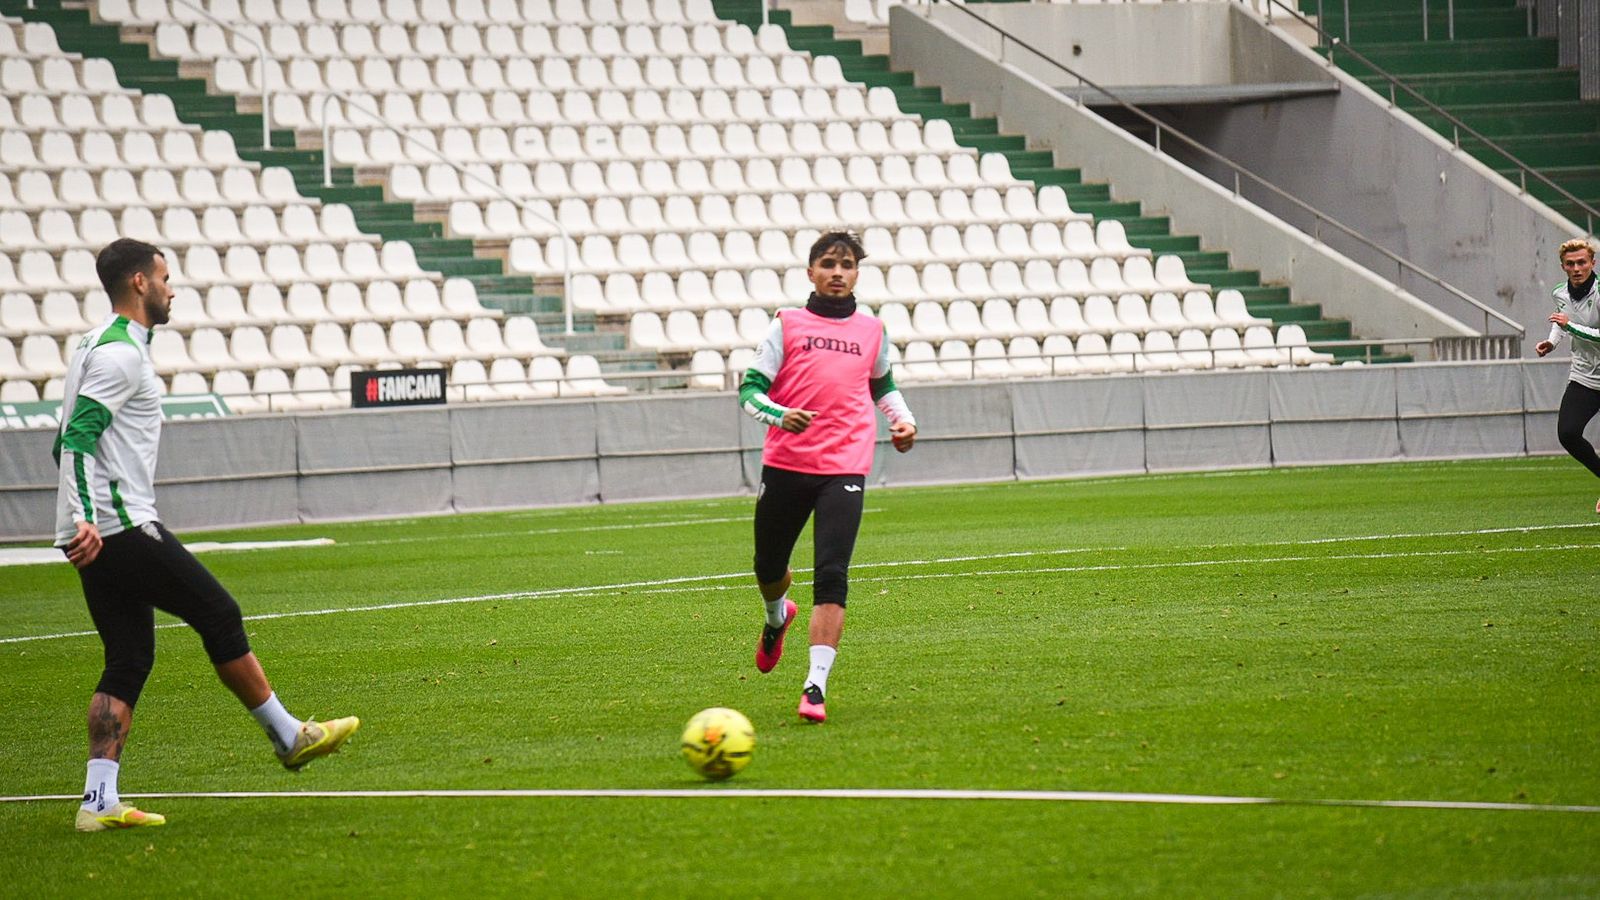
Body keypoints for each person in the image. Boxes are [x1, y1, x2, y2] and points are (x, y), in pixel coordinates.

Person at [55, 239, 360, 833]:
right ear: (140, 282)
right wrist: (86, 518)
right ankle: (288, 734)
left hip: (97, 529)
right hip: (119, 526)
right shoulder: (120, 356)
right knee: (219, 613)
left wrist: (74, 521)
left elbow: (65, 433)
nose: (174, 289)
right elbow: (77, 439)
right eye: (166, 278)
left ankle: (97, 802)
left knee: (127, 659)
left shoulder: (93, 345)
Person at [738, 231, 917, 723]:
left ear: (857, 273)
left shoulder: (872, 329)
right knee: (768, 564)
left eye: (847, 264)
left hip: (845, 464)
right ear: (811, 272)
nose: (838, 272)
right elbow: (750, 390)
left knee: (832, 573)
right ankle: (777, 617)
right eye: (828, 263)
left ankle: (815, 686)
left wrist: (903, 421)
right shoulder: (787, 324)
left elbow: (884, 385)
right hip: (788, 462)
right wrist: (779, 415)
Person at [1535, 237, 1600, 513]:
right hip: (1584, 376)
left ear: (1592, 263)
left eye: (1582, 262)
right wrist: (1552, 342)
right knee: (1568, 432)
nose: (1577, 268)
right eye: (1571, 263)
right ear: (1563, 266)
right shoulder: (1560, 293)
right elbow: (1561, 324)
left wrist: (1570, 326)